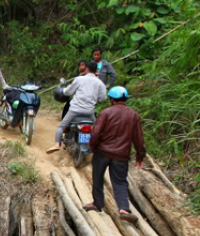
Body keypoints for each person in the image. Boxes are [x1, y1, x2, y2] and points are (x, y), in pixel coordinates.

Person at [83, 86, 145, 222]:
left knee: (97, 177)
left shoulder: (105, 113)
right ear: (125, 99)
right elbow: (139, 139)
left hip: (103, 152)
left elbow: (95, 134)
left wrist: (92, 147)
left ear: (111, 99)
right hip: (121, 156)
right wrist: (140, 156)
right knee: (120, 182)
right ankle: (123, 209)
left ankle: (97, 204)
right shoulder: (134, 115)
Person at [47, 61, 106, 154]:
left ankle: (57, 144)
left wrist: (63, 90)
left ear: (86, 69)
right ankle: (97, 146)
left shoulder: (79, 79)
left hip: (74, 110)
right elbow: (102, 98)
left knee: (61, 126)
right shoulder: (100, 83)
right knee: (96, 129)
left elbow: (68, 92)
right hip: (89, 112)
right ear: (96, 71)